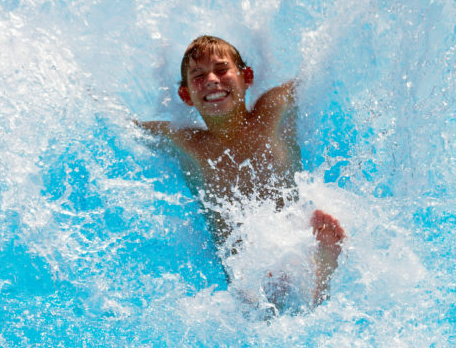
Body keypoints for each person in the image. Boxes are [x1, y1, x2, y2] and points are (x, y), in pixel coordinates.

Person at [138, 35, 345, 312]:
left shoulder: (272, 112)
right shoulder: (188, 144)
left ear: (247, 77)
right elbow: (125, 129)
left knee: (300, 255)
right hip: (244, 273)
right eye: (198, 76)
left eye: (222, 69)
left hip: (294, 241)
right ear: (186, 95)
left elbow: (316, 76)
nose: (212, 80)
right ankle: (311, 279)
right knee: (251, 290)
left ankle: (323, 269)